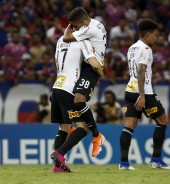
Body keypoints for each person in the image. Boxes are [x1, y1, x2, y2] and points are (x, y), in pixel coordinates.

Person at [119, 18, 170, 170]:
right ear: (148, 35)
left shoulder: (132, 48)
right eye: (155, 35)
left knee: (129, 126)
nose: (156, 37)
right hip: (144, 92)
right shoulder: (146, 49)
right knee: (162, 121)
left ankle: (123, 163)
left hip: (129, 90)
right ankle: (156, 159)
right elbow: (141, 71)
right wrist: (142, 95)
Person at [50, 36, 104, 173]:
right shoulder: (83, 41)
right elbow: (94, 64)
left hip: (56, 87)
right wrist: (101, 72)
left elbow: (57, 62)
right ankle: (60, 153)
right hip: (69, 89)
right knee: (84, 127)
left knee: (64, 127)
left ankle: (58, 167)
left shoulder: (60, 40)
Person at [62, 7, 107, 157]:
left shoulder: (90, 29)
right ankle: (72, 129)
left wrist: (69, 28)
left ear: (82, 22)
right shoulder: (97, 23)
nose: (74, 28)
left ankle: (97, 136)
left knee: (79, 100)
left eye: (75, 25)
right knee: (64, 96)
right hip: (88, 65)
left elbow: (66, 38)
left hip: (91, 67)